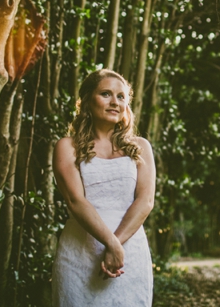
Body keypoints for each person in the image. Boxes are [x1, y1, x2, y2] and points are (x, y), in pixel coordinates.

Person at [51, 69, 155, 306]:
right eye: (106, 94)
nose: (114, 102)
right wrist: (111, 244)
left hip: (130, 253)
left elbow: (145, 201)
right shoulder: (67, 147)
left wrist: (116, 246)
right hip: (80, 253)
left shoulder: (141, 147)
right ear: (87, 100)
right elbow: (76, 201)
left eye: (121, 97)